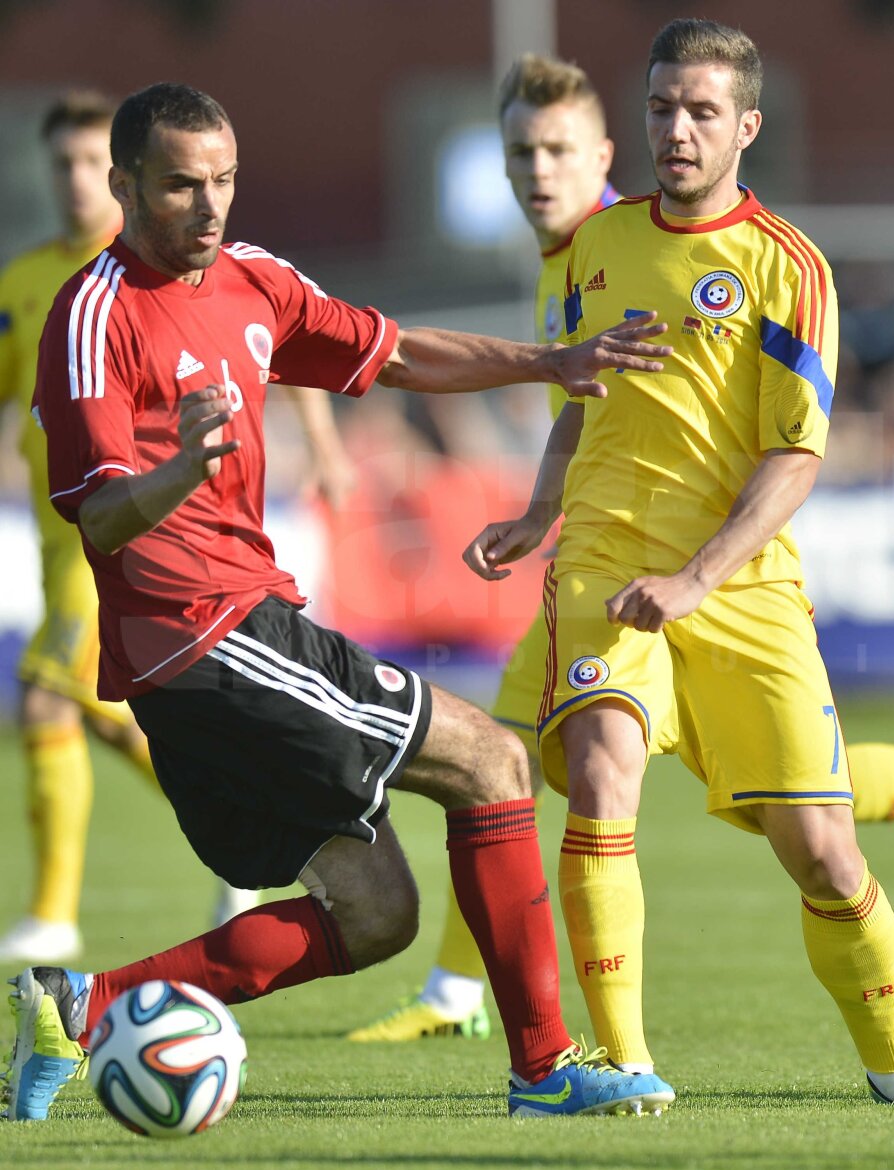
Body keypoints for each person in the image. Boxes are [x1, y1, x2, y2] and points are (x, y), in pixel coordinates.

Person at [347, 51, 894, 1046]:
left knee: (796, 818)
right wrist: (541, 511)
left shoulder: (750, 257)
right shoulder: (585, 254)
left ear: (603, 155)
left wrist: (695, 572)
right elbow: (587, 404)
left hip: (720, 578)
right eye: (520, 152)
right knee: (535, 766)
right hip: (606, 561)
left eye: (559, 151)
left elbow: (793, 448)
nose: (538, 173)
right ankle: (563, 1040)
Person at [2, 81, 677, 1123]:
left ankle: (82, 1004)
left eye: (224, 180)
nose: (210, 204)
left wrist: (548, 361)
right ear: (124, 184)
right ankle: (545, 1074)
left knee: (375, 915)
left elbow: (393, 352)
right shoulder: (93, 314)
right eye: (182, 184)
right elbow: (99, 519)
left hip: (227, 641)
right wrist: (185, 469)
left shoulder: (253, 279)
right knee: (492, 762)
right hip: (203, 637)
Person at [0, 91, 310, 965]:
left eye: (80, 163)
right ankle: (240, 819)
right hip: (66, 535)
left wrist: (319, 438)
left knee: (48, 701)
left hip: (129, 538)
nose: (68, 182)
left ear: (122, 178)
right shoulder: (29, 288)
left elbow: (283, 348)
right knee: (96, 714)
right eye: (55, 164)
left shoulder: (166, 280)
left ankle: (57, 913)